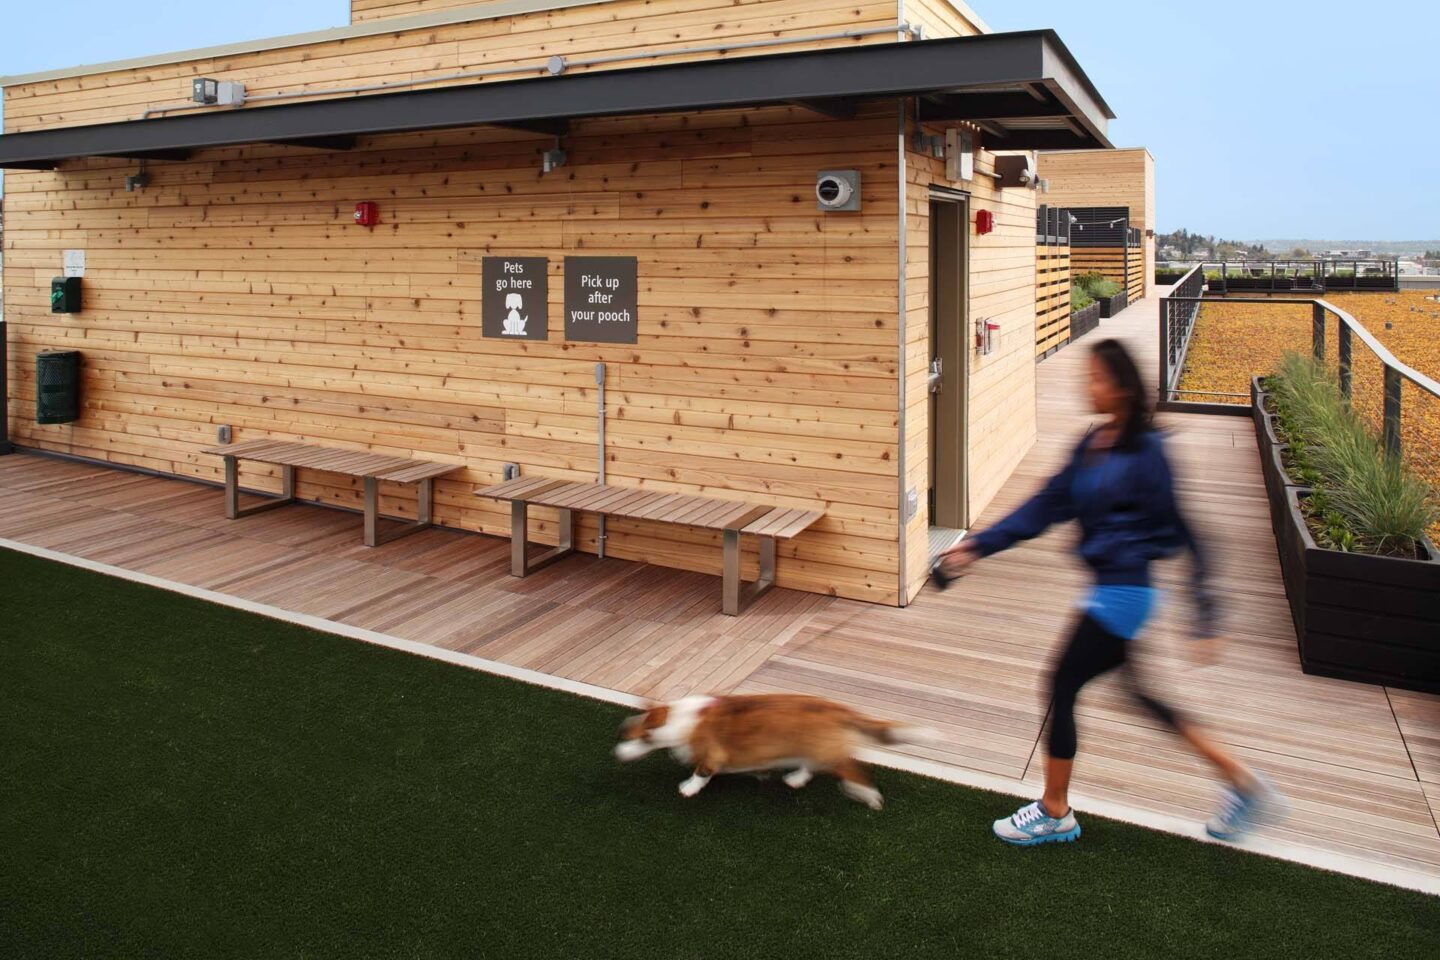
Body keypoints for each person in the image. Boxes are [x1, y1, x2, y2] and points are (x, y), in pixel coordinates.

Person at [933, 338, 1285, 846]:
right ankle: (1243, 784)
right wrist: (977, 546)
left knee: (1062, 682)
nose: (1087, 387)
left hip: (1125, 593)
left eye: (1096, 378)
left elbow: (1187, 529)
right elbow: (1045, 506)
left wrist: (1205, 610)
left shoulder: (1148, 452)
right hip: (1110, 590)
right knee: (1140, 695)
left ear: (1121, 387)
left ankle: (1055, 810)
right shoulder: (1091, 445)